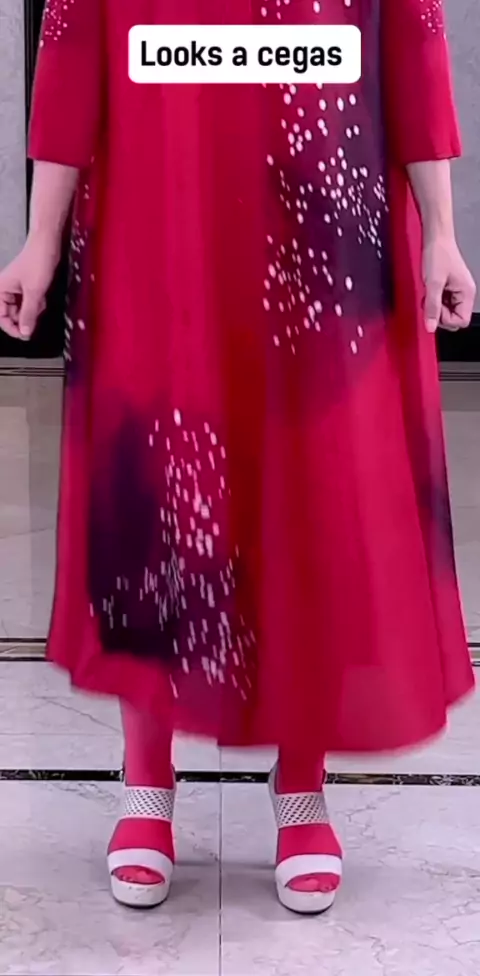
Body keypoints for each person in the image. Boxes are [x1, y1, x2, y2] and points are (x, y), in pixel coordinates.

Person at [0, 0, 476, 915]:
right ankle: (147, 774)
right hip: (156, 213)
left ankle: (303, 778)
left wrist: (443, 231)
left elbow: (410, 37)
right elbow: (75, 47)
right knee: (160, 498)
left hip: (321, 218)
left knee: (315, 490)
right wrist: (41, 238)